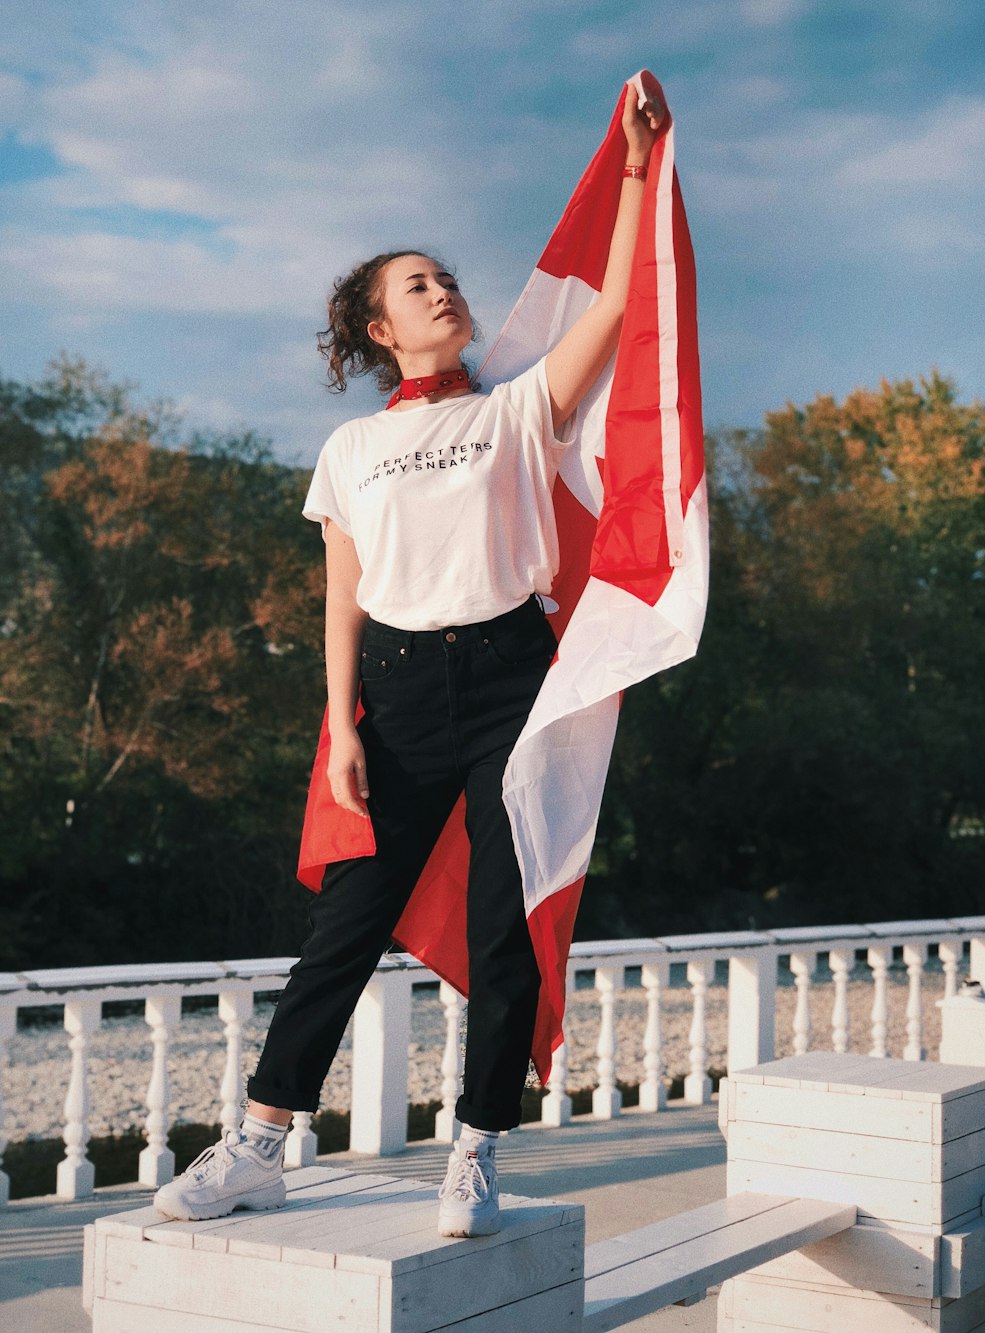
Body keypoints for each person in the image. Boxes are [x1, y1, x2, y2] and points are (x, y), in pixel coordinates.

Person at [154, 80, 664, 1238]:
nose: (445, 290)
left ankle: (473, 1150)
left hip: (508, 676)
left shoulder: (515, 410)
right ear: (380, 327)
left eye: (445, 278)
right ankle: (259, 1143)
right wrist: (339, 726)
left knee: (501, 919)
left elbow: (620, 305)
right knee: (345, 925)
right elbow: (342, 590)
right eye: (417, 284)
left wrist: (632, 171)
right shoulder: (352, 449)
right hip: (390, 689)